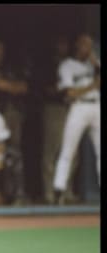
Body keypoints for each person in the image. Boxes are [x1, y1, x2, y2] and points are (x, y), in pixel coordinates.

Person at [53, 33, 100, 205]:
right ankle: (59, 190)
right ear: (77, 46)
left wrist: (95, 65)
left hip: (97, 106)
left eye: (90, 45)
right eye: (85, 45)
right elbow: (69, 93)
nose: (89, 48)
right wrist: (92, 86)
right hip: (78, 107)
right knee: (68, 150)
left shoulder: (94, 65)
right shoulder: (67, 65)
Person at [37, 36, 79, 204]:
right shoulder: (48, 65)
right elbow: (45, 89)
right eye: (60, 43)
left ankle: (66, 191)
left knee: (73, 153)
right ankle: (49, 192)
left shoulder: (73, 64)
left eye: (65, 44)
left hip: (73, 109)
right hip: (54, 109)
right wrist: (65, 91)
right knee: (51, 152)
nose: (63, 46)